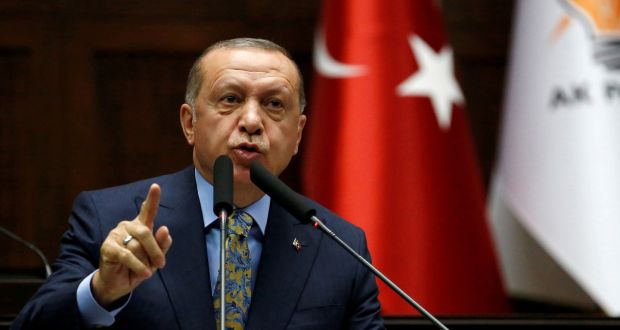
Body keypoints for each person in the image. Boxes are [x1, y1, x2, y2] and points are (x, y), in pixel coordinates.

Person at [12, 38, 384, 329]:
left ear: (299, 133)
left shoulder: (340, 246)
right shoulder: (109, 218)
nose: (252, 121)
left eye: (274, 104)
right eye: (230, 99)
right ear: (189, 123)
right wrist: (101, 292)